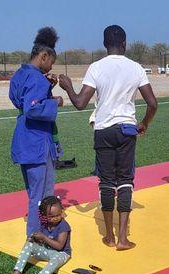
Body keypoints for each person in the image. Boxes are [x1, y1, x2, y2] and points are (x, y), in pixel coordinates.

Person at [58, 25, 158, 250]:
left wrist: (68, 87)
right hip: (126, 129)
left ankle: (109, 236)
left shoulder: (95, 67)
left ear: (105, 45)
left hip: (103, 130)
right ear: (124, 44)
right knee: (125, 181)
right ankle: (123, 239)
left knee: (106, 182)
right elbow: (153, 104)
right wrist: (143, 124)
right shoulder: (136, 68)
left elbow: (80, 103)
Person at [9, 27, 63, 237]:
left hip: (24, 139)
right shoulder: (38, 79)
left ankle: (39, 231)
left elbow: (20, 102)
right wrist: (55, 101)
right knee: (42, 194)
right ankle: (37, 234)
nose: (50, 67)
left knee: (34, 192)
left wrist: (46, 89)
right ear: (43, 56)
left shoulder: (19, 74)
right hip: (38, 143)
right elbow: (33, 108)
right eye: (51, 62)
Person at [12, 196, 71, 274]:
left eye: (58, 214)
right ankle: (17, 272)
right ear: (44, 216)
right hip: (47, 250)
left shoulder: (63, 226)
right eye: (52, 216)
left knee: (56, 259)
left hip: (61, 253)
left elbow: (59, 246)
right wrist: (35, 239)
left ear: (62, 211)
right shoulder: (44, 223)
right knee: (29, 243)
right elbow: (41, 238)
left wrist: (43, 238)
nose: (56, 218)